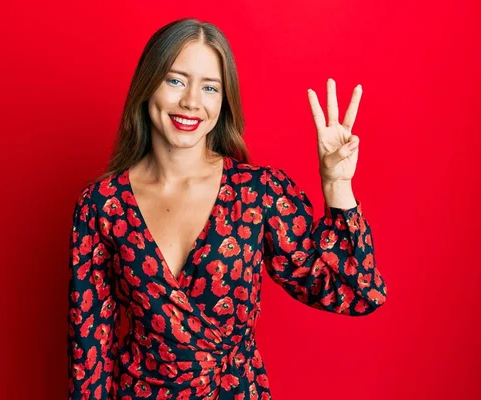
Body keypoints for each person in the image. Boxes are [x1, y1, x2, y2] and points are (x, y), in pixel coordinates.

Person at [67, 18, 387, 400]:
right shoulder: (102, 205)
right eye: (175, 80)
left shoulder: (258, 193)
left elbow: (356, 291)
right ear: (147, 85)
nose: (191, 101)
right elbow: (90, 351)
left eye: (210, 87)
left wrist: (337, 184)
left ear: (224, 100)